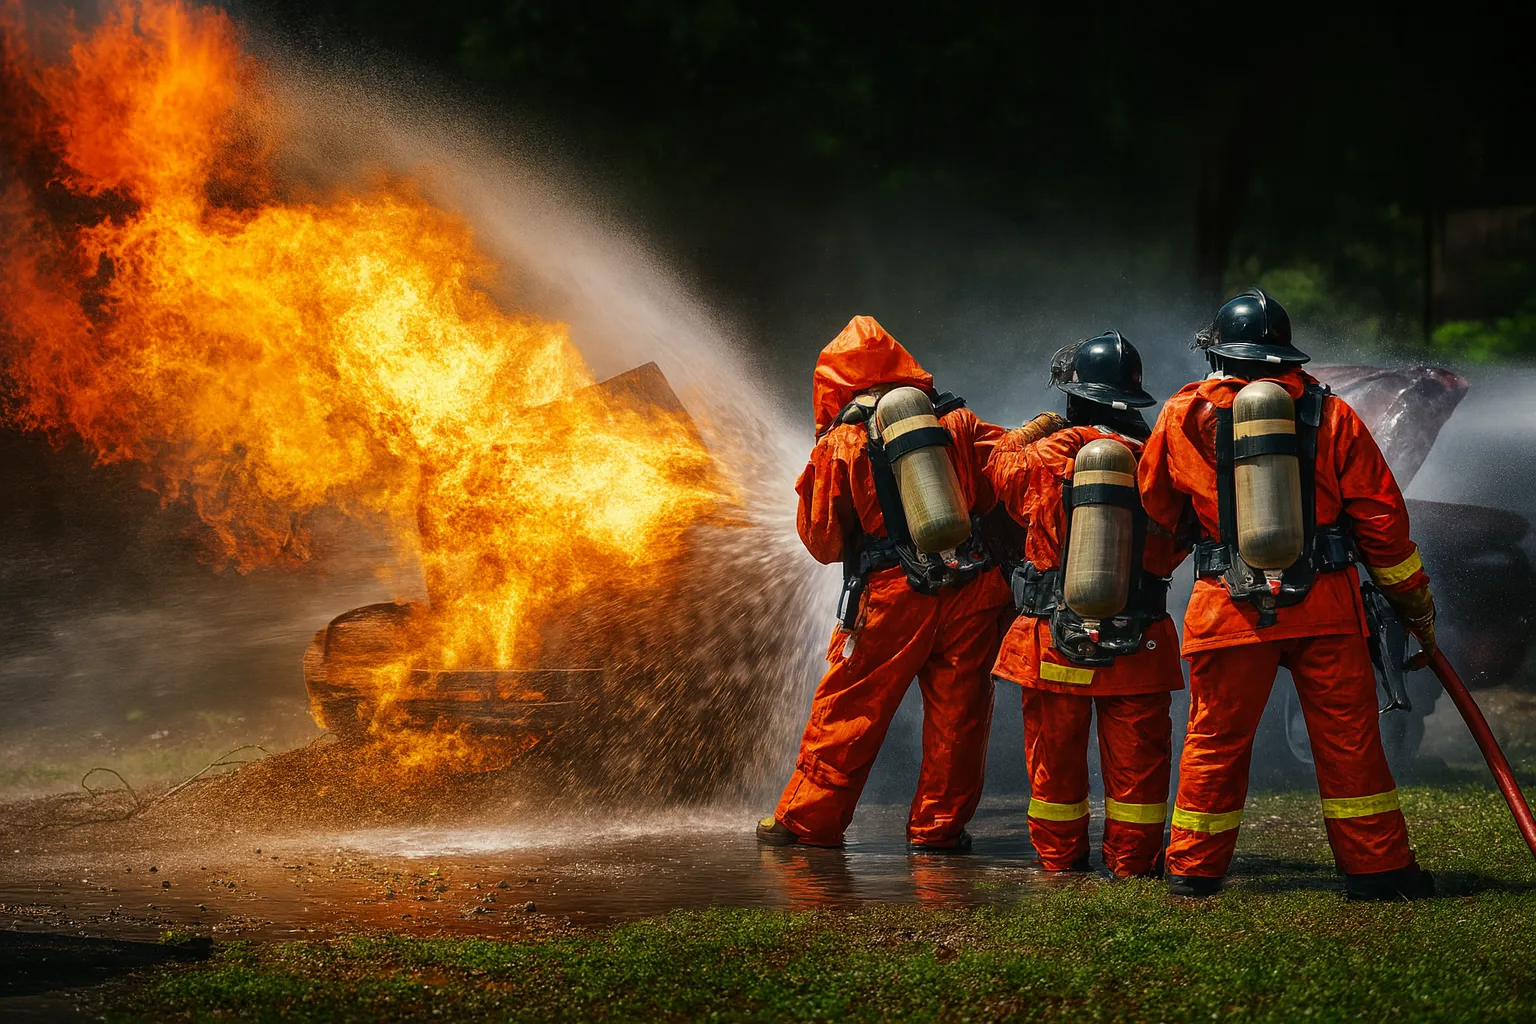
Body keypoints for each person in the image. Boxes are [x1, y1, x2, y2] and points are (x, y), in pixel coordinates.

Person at [1139, 288, 1437, 899]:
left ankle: (1194, 870)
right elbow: (1382, 518)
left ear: (1220, 356)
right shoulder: (1332, 413)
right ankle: (1377, 869)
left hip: (1228, 606)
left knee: (1215, 738)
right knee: (1348, 739)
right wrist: (1414, 602)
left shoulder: (1180, 414)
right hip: (1324, 602)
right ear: (1284, 357)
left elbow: (1157, 506)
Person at [757, 315, 1051, 851]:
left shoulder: (841, 442)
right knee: (959, 716)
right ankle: (937, 830)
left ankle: (808, 821)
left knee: (852, 704)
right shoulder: (956, 420)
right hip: (972, 589)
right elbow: (1000, 483)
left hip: (892, 596)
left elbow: (821, 543)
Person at [986, 332, 1185, 876]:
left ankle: (1060, 860)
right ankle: (1133, 864)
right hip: (1138, 643)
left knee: (1054, 765)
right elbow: (1186, 530)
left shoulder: (1050, 453)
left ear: (1075, 397)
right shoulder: (1157, 459)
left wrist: (1040, 424)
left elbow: (998, 470)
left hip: (1056, 639)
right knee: (1139, 769)